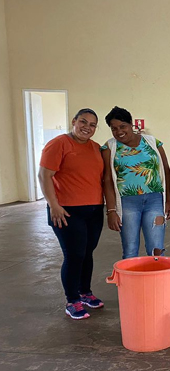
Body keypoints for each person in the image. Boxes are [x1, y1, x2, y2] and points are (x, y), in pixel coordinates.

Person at [38, 108, 105, 320]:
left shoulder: (96, 148)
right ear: (74, 121)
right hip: (66, 211)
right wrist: (54, 205)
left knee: (87, 252)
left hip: (94, 209)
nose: (87, 127)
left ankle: (85, 292)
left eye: (92, 125)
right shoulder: (59, 144)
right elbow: (44, 175)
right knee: (74, 254)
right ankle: (72, 299)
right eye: (83, 122)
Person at [101, 106, 170, 259]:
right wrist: (111, 210)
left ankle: (157, 283)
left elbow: (166, 171)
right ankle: (130, 283)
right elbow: (107, 179)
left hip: (154, 201)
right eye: (114, 128)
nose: (119, 131)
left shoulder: (153, 142)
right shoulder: (110, 147)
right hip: (127, 203)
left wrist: (168, 201)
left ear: (131, 124)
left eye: (122, 126)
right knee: (130, 250)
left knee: (156, 249)